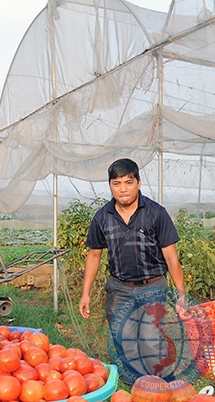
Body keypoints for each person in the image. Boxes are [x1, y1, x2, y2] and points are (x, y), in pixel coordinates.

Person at [79, 158, 187, 382]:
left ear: (138, 183)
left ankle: (159, 382)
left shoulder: (156, 213)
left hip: (153, 285)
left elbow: (171, 257)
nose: (123, 189)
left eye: (128, 182)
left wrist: (180, 294)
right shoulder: (102, 217)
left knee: (150, 337)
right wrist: (85, 293)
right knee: (123, 336)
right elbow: (94, 255)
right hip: (119, 287)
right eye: (116, 183)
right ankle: (136, 382)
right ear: (110, 186)